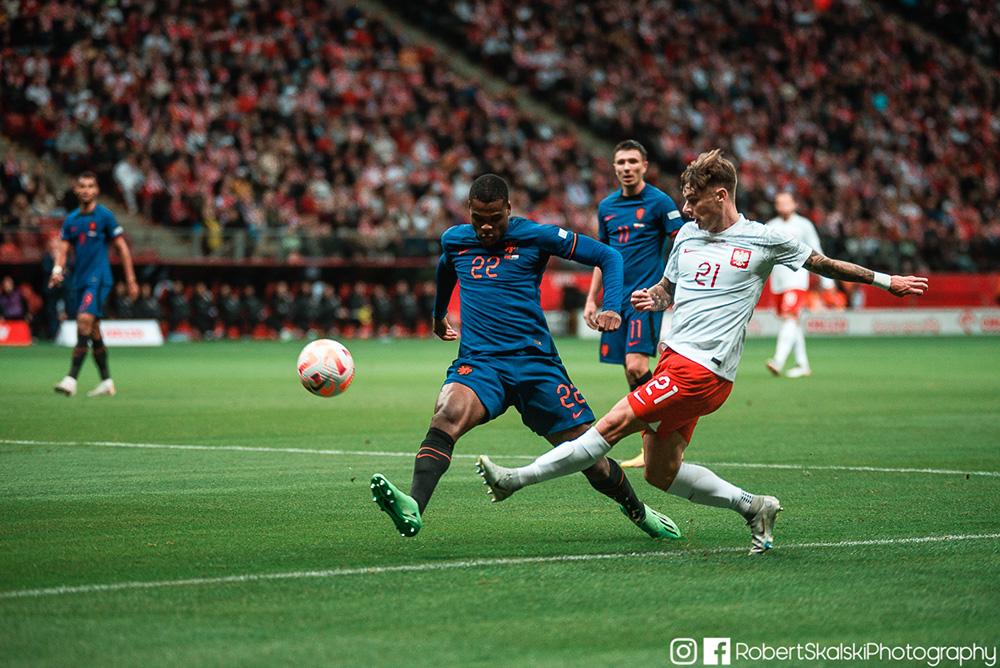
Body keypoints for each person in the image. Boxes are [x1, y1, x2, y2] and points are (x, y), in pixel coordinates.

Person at [477, 150, 928, 554]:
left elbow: (825, 265)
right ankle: (754, 507)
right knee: (660, 472)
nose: (686, 209)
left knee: (611, 424)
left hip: (704, 370)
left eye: (693, 200)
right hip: (675, 360)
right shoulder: (687, 238)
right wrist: (649, 299)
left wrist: (888, 282)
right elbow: (667, 291)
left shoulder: (763, 239)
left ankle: (515, 479)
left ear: (721, 194)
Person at [371, 173, 681, 540]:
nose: (486, 227)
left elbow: (608, 255)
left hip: (535, 366)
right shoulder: (455, 240)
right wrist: (439, 316)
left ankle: (638, 511)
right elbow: (445, 268)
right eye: (478, 218)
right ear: (468, 210)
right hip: (481, 363)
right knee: (446, 414)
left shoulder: (536, 235)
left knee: (589, 457)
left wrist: (611, 305)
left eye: (495, 218)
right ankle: (414, 506)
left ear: (509, 209)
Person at [584, 139, 686, 468]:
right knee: (630, 375)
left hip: (644, 299)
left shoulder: (659, 202)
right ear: (614, 168)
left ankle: (671, 429)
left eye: (632, 162)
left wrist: (669, 288)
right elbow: (602, 256)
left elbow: (684, 242)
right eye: (621, 163)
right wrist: (591, 299)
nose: (626, 168)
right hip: (614, 303)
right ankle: (653, 443)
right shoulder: (607, 207)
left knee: (637, 367)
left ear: (644, 165)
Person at [49, 171, 138, 397]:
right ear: (76, 190)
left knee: (83, 320)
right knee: (94, 330)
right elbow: (63, 249)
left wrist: (131, 279)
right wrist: (57, 270)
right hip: (79, 280)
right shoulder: (71, 220)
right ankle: (107, 382)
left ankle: (71, 379)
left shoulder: (105, 216)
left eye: (90, 186)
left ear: (96, 190)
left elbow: (122, 249)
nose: (86, 190)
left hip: (98, 279)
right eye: (82, 186)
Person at [765, 192, 834, 378]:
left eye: (787, 202)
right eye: (779, 202)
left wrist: (828, 279)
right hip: (777, 281)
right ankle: (803, 365)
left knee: (790, 317)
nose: (783, 206)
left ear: (795, 204)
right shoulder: (771, 226)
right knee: (792, 322)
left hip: (796, 279)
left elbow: (816, 249)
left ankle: (778, 361)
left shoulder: (804, 225)